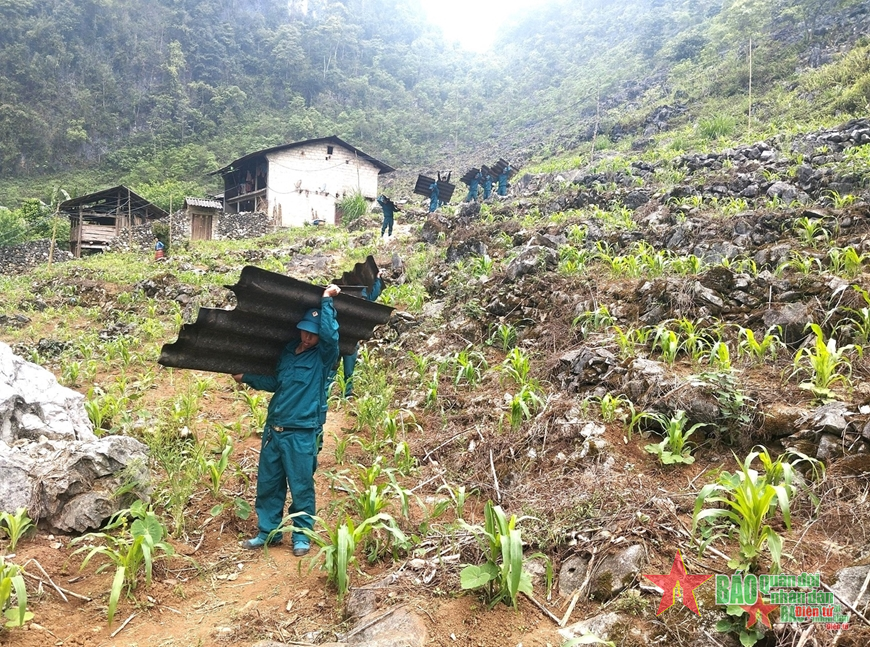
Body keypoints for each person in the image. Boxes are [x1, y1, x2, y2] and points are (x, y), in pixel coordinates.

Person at [233, 284, 341, 556]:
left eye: (313, 334)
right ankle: (268, 532)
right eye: (305, 331)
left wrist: (326, 301)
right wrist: (247, 378)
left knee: (301, 486)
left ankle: (302, 536)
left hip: (301, 432)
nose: (308, 337)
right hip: (274, 430)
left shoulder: (323, 357)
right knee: (268, 484)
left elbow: (331, 337)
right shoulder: (289, 351)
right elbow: (277, 383)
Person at [339, 272, 383, 399]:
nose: (362, 300)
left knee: (348, 370)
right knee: (333, 368)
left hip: (350, 340)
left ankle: (346, 393)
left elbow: (373, 296)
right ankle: (328, 394)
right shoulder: (344, 301)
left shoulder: (358, 301)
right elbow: (371, 297)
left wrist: (378, 279)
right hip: (340, 339)